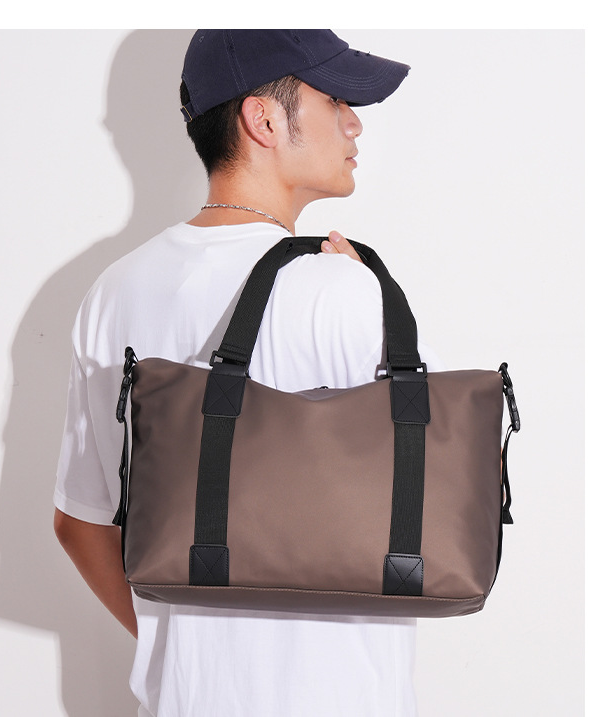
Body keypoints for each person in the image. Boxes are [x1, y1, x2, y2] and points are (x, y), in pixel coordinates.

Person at [53, 30, 444, 716]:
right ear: (262, 119)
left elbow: (79, 523)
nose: (354, 122)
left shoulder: (113, 291)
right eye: (336, 100)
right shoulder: (341, 289)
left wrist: (176, 649)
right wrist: (371, 303)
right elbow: (431, 510)